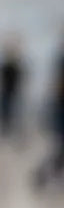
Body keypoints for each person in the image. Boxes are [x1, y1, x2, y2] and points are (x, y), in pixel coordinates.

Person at [33, 49, 64, 189]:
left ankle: (44, 175)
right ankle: (42, 175)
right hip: (60, 113)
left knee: (59, 152)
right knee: (58, 151)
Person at [0, 38, 25, 138]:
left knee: (15, 116)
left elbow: (20, 80)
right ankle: (3, 132)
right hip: (4, 94)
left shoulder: (17, 66)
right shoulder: (3, 66)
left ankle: (15, 134)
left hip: (13, 94)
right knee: (1, 115)